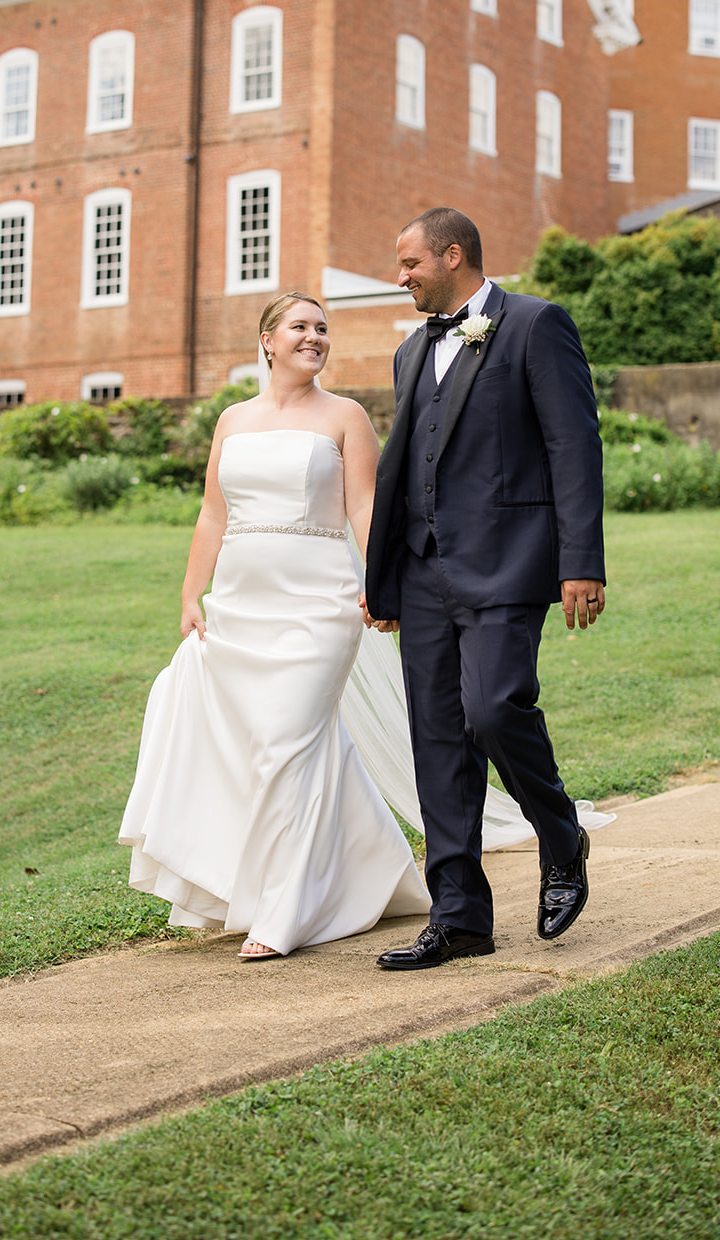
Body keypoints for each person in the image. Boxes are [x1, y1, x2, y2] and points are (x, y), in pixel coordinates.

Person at [119, 292, 431, 960]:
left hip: (320, 604)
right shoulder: (232, 420)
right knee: (271, 745)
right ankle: (374, 870)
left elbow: (364, 504)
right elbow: (212, 514)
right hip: (239, 605)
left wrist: (381, 583)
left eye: (322, 329)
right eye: (299, 327)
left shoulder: (345, 416)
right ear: (267, 340)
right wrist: (190, 593)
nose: (313, 337)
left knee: (289, 740)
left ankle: (281, 911)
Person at [365, 208, 606, 972]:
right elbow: (404, 468)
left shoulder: (535, 325)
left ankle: (559, 836)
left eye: (409, 264)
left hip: (508, 560)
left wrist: (581, 561)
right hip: (421, 567)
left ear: (452, 255)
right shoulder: (409, 353)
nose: (399, 277)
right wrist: (384, 578)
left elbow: (573, 445)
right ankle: (460, 916)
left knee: (494, 708)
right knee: (436, 741)